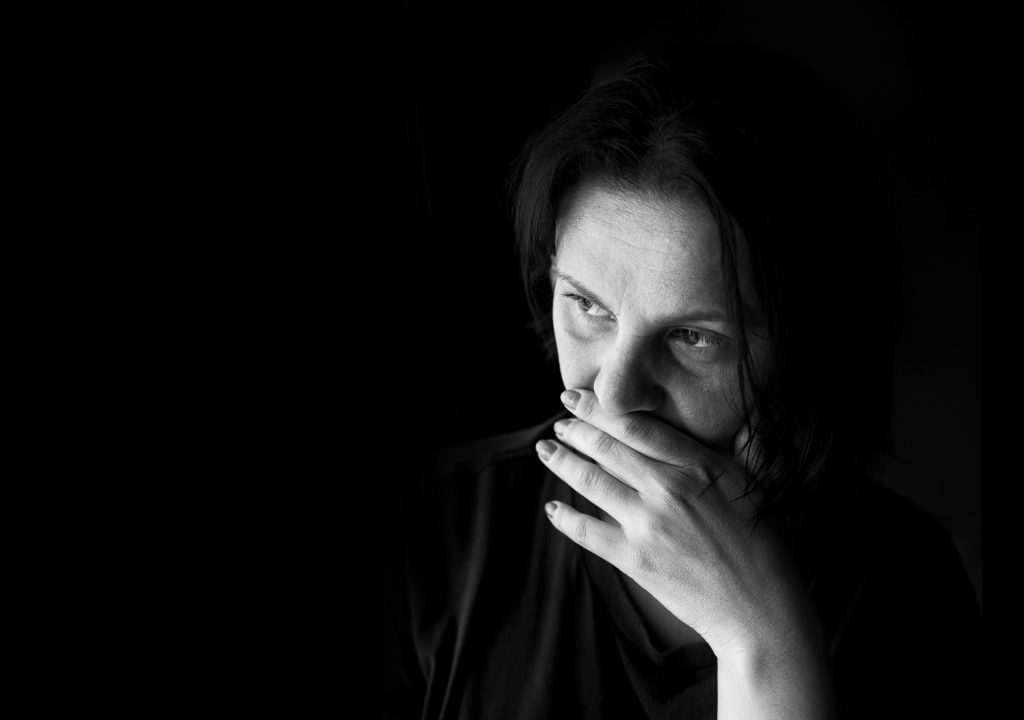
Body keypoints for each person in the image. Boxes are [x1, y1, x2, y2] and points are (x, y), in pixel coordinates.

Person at [380, 40, 981, 719]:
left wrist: (764, 641)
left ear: (808, 346)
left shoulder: (905, 585)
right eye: (588, 305)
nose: (614, 392)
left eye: (694, 338)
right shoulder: (425, 536)